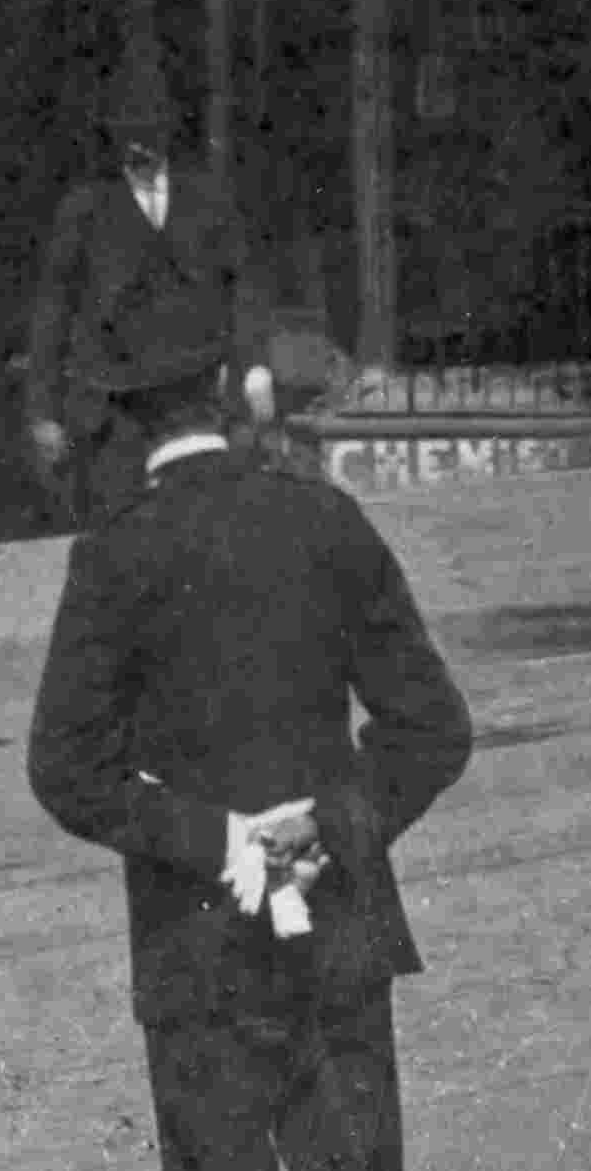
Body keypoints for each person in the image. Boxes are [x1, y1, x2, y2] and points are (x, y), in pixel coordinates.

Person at [27, 286, 472, 1171]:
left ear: (123, 419)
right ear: (232, 391)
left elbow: (65, 767)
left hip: (196, 946)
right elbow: (433, 729)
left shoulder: (115, 554)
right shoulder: (323, 518)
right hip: (338, 923)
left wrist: (220, 839)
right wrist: (330, 825)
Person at [27, 39, 271, 529]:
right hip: (115, 402)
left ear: (169, 131)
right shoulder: (86, 205)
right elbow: (53, 310)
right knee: (121, 525)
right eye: (125, 133)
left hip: (196, 397)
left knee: (207, 524)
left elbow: (242, 288)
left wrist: (251, 366)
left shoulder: (207, 197)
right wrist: (43, 410)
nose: (137, 144)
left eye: (149, 131)